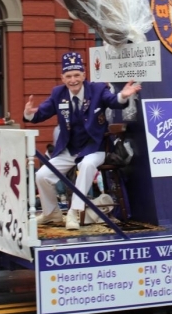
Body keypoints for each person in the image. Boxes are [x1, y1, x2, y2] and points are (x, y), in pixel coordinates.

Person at [24, 51, 141, 230]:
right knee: (42, 175)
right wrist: (29, 114)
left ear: (84, 75)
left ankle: (74, 212)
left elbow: (113, 101)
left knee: (86, 165)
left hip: (95, 148)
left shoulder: (97, 89)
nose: (73, 80)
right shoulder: (58, 93)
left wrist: (123, 96)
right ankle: (51, 213)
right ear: (62, 78)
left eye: (77, 75)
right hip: (69, 149)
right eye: (69, 76)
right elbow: (40, 114)